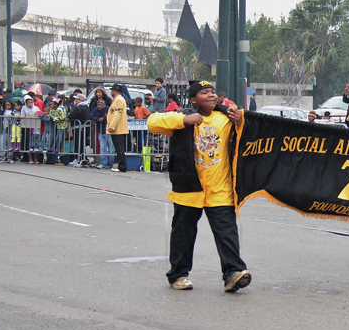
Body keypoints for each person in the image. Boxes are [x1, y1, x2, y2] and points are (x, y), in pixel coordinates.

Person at [147, 80, 251, 292]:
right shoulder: (182, 118)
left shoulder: (227, 117)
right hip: (189, 188)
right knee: (183, 233)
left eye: (213, 92)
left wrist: (242, 122)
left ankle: (233, 272)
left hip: (219, 189)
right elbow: (152, 122)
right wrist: (184, 119)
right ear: (193, 99)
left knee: (227, 232)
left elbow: (251, 136)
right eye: (204, 93)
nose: (211, 95)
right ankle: (178, 275)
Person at [107, 84, 129, 172]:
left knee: (119, 148)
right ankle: (121, 165)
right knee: (118, 148)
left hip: (118, 128)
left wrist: (112, 126)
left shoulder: (119, 100)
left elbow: (117, 113)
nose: (111, 92)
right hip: (117, 128)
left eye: (112, 90)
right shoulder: (117, 99)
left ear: (115, 91)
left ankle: (122, 166)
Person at [90, 99, 113, 169]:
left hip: (109, 131)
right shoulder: (95, 110)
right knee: (102, 148)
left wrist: (104, 118)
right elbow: (91, 116)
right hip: (100, 131)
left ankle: (110, 163)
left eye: (101, 105)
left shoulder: (108, 109)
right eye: (98, 105)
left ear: (104, 105)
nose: (99, 106)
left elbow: (111, 116)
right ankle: (103, 163)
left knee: (111, 148)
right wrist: (97, 119)